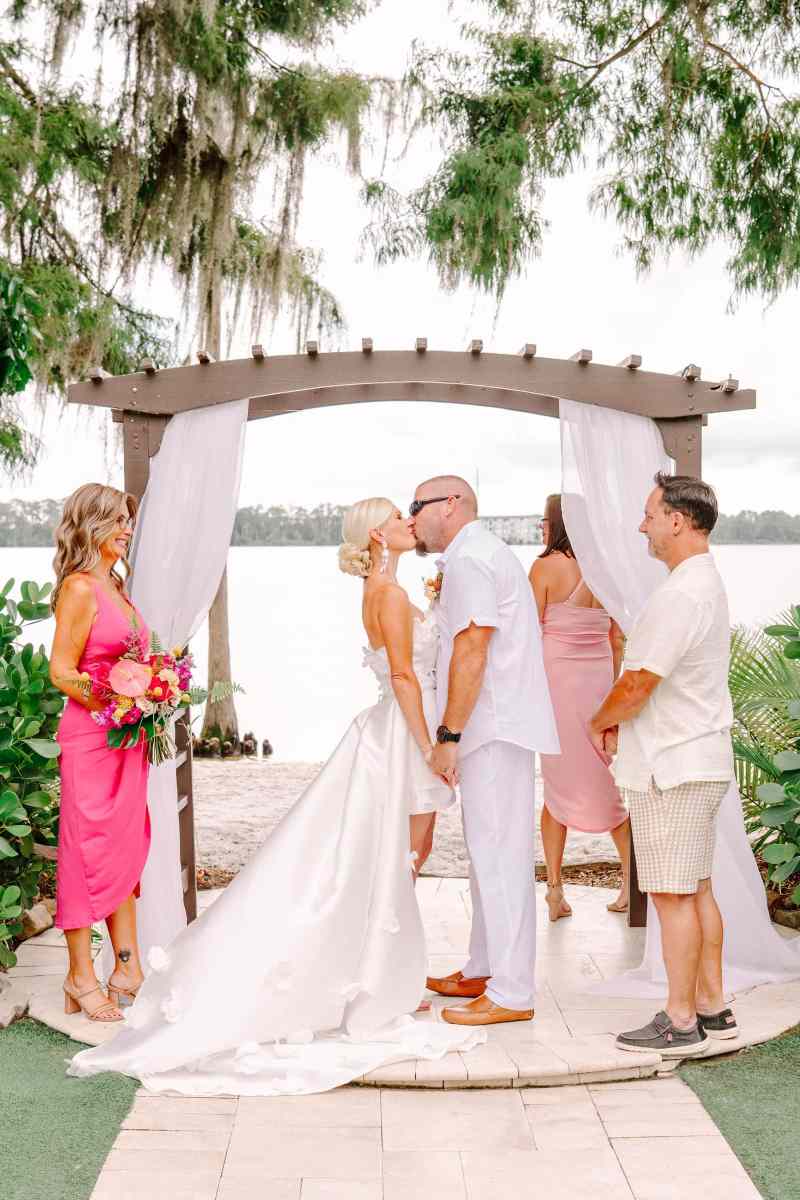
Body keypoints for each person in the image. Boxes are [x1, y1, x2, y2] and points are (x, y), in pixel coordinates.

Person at [67, 498, 480, 1094]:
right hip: (401, 732)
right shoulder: (387, 596)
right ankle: (374, 982)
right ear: (376, 534)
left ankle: (378, 974)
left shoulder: (383, 589)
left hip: (391, 728)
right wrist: (431, 743)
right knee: (400, 859)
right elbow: (404, 676)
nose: (410, 522)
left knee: (388, 859)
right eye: (397, 517)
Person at [589, 473, 738, 1057]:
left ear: (677, 520)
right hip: (699, 756)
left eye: (649, 514)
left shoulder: (679, 594)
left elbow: (637, 683)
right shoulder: (705, 582)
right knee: (697, 888)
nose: (642, 525)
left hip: (672, 763)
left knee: (674, 895)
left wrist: (597, 720)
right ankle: (712, 1004)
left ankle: (680, 1021)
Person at [414, 476, 560, 1027]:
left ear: (451, 505)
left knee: (500, 856)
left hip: (493, 727)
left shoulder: (472, 559)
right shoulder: (476, 554)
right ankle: (483, 966)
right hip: (495, 724)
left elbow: (472, 649)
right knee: (486, 855)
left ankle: (512, 992)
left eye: (418, 506)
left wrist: (448, 736)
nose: (413, 518)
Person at [50, 483, 150, 1023]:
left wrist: (152, 693)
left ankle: (127, 966)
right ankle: (79, 976)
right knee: (86, 849)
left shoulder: (115, 584)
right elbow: (61, 671)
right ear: (91, 525)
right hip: (92, 737)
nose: (127, 529)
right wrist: (114, 703)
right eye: (118, 521)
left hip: (125, 740)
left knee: (122, 847)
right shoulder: (81, 588)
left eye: (128, 521)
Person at [529, 494, 630, 920]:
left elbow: (526, 632)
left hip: (556, 685)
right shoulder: (607, 570)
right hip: (598, 684)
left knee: (557, 786)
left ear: (555, 522)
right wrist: (612, 691)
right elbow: (618, 637)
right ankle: (631, 883)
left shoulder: (545, 567)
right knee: (607, 781)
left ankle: (555, 891)